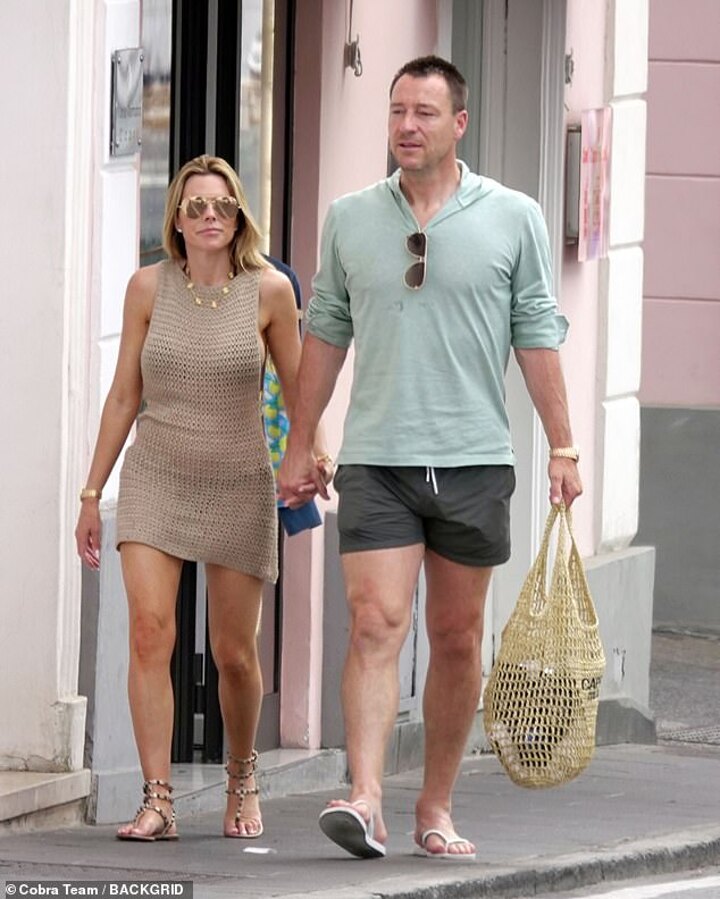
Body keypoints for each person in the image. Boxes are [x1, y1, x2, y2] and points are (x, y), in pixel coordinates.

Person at [277, 56, 582, 860]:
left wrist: (562, 444)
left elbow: (536, 331)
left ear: (459, 124)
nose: (406, 126)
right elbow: (325, 332)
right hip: (377, 458)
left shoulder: (514, 216)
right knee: (375, 621)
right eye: (396, 111)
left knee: (455, 636)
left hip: (475, 459)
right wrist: (300, 440)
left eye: (424, 113)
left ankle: (435, 802)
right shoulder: (350, 217)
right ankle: (365, 795)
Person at [75, 154, 331, 842]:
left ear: (239, 216)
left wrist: (313, 452)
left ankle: (242, 774)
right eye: (196, 206)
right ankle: (158, 799)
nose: (210, 215)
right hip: (156, 473)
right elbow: (124, 394)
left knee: (234, 653)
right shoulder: (147, 287)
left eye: (222, 205)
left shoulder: (269, 291)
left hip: (237, 479)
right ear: (178, 220)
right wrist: (92, 492)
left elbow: (298, 388)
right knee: (148, 631)